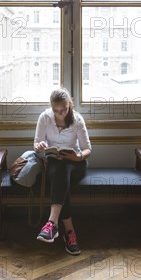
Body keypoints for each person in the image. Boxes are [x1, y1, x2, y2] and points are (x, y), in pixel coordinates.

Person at [34, 87, 92, 255]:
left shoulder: (78, 120)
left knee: (63, 170)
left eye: (64, 109)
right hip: (54, 162)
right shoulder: (45, 118)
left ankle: (52, 223)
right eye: (56, 110)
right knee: (60, 172)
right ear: (51, 108)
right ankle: (70, 232)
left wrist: (78, 156)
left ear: (70, 105)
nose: (60, 114)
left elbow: (88, 149)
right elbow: (36, 143)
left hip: (76, 163)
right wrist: (40, 146)